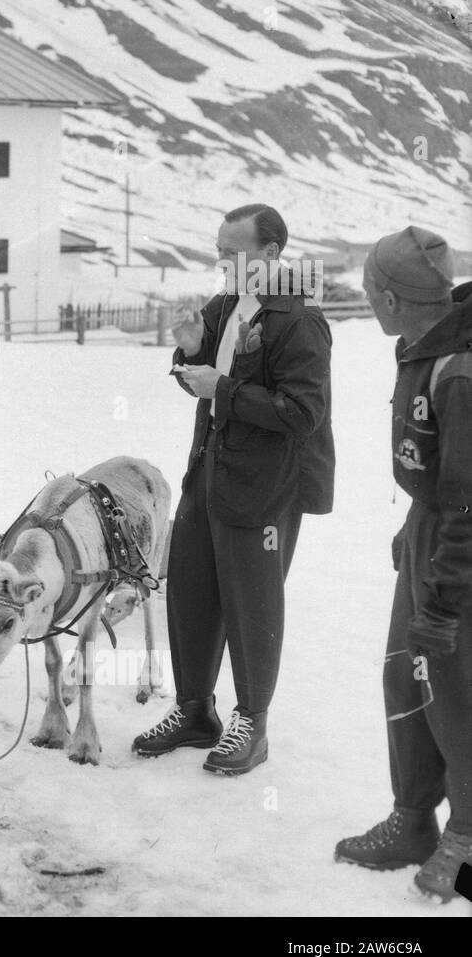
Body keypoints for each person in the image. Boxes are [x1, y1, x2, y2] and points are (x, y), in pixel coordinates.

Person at [132, 204, 334, 775]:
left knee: (252, 605)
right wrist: (192, 349)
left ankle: (253, 723)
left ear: (270, 253)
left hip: (265, 486)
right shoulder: (225, 305)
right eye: (219, 249)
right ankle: (196, 710)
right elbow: (201, 383)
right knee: (190, 592)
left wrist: (221, 388)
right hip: (207, 473)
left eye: (232, 251)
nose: (221, 261)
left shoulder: (299, 320)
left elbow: (303, 413)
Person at [335, 226, 472, 903]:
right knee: (406, 676)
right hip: (431, 528)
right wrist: (412, 525)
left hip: (460, 547)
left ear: (389, 297)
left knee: (458, 695)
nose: (365, 300)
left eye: (368, 289)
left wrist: (444, 597)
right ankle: (414, 817)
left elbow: (469, 497)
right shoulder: (423, 347)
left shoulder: (459, 371)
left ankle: (467, 836)